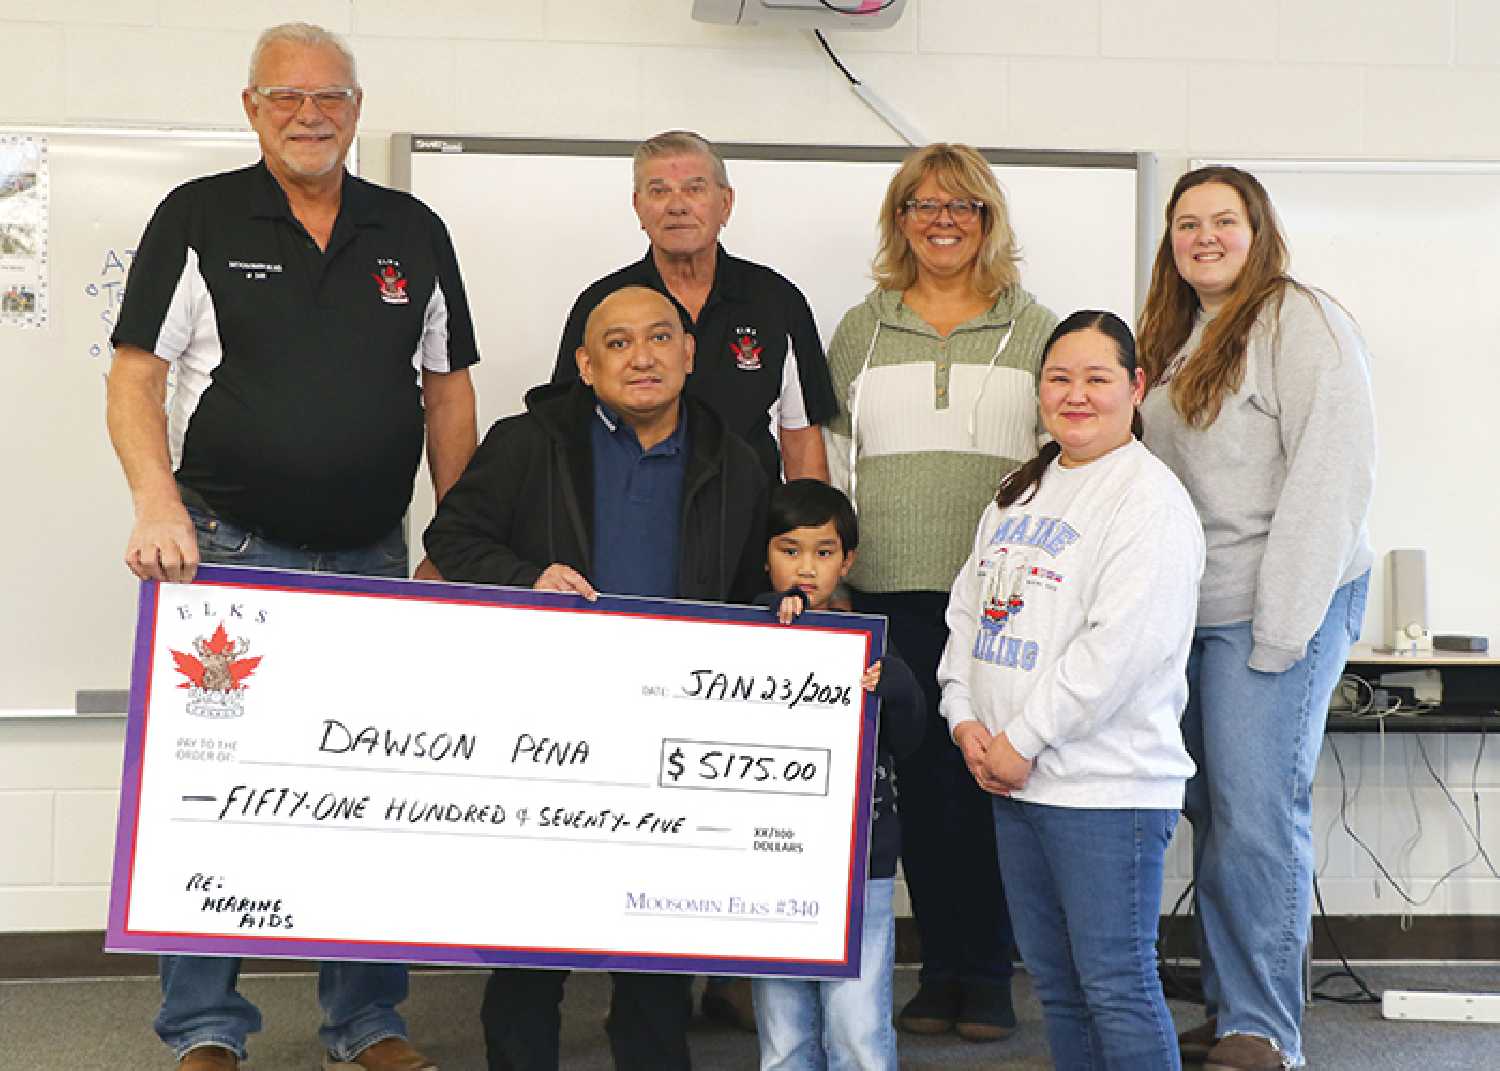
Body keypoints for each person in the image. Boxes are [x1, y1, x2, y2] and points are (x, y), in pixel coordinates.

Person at [104, 22, 479, 1071]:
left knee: (367, 795)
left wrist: (450, 542)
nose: (310, 114)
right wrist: (155, 503)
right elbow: (135, 376)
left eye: (331, 97)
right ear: (251, 106)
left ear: (358, 109)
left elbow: (448, 389)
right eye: (286, 97)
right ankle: (206, 1028)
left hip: (373, 557)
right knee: (210, 792)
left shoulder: (413, 228)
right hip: (226, 552)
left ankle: (368, 1023)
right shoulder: (199, 215)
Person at [424, 283, 768, 1071]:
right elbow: (453, 533)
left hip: (668, 737)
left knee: (653, 946)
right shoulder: (526, 441)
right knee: (531, 943)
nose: (641, 356)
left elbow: (755, 579)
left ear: (689, 352)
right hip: (546, 727)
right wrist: (525, 575)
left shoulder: (738, 460)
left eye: (658, 337)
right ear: (585, 363)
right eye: (617, 343)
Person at [1137, 166, 1375, 1071]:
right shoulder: (1175, 335)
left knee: (1255, 813)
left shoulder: (1298, 320)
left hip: (1279, 602)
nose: (1204, 236)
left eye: (1223, 220)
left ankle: (1266, 1029)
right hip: (1190, 612)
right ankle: (1235, 999)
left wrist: (1283, 627)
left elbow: (1332, 475)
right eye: (1187, 222)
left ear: (1257, 228)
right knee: (1209, 807)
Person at [822, 142, 1057, 1042]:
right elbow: (833, 459)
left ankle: (989, 974)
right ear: (901, 221)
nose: (943, 221)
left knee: (987, 784)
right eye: (923, 206)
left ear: (990, 221)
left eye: (962, 206)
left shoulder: (1034, 329)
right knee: (912, 790)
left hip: (998, 601)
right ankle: (939, 973)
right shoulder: (861, 328)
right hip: (886, 592)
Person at [940, 310, 1204, 1071]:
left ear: (1136, 386)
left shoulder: (1148, 500)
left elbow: (1117, 651)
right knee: (1056, 986)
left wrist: (1020, 740)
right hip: (1015, 781)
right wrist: (966, 723)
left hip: (1105, 789)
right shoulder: (1019, 490)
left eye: (1097, 377)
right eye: (1060, 377)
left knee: (1116, 984)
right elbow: (968, 619)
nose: (1076, 394)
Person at [751, 480, 924, 1071]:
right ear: (766, 556)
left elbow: (910, 738)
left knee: (857, 1032)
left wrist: (892, 684)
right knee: (783, 1034)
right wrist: (770, 621)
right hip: (767, 857)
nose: (806, 567)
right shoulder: (744, 634)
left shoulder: (873, 640)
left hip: (861, 859)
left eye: (823, 552)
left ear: (847, 561)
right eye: (789, 550)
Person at [551, 130, 837, 484]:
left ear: (726, 204)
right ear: (638, 207)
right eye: (659, 191)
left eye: (694, 189)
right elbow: (564, 433)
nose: (677, 205)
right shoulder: (602, 306)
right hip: (632, 514)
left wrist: (809, 530)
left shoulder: (775, 300)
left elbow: (801, 437)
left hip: (747, 521)